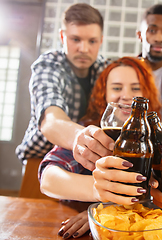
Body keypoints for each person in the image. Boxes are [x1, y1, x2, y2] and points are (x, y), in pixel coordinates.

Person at [38, 57, 162, 238]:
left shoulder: (159, 140)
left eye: (135, 88)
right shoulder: (91, 133)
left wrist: (112, 212)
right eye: (117, 88)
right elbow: (48, 178)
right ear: (104, 94)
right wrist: (100, 197)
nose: (126, 95)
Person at [15, 3, 112, 170]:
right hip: (40, 160)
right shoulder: (49, 65)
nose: (84, 49)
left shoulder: (107, 70)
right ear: (62, 36)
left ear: (101, 40)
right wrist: (80, 138)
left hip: (89, 164)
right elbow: (50, 120)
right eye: (76, 39)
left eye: (92, 41)